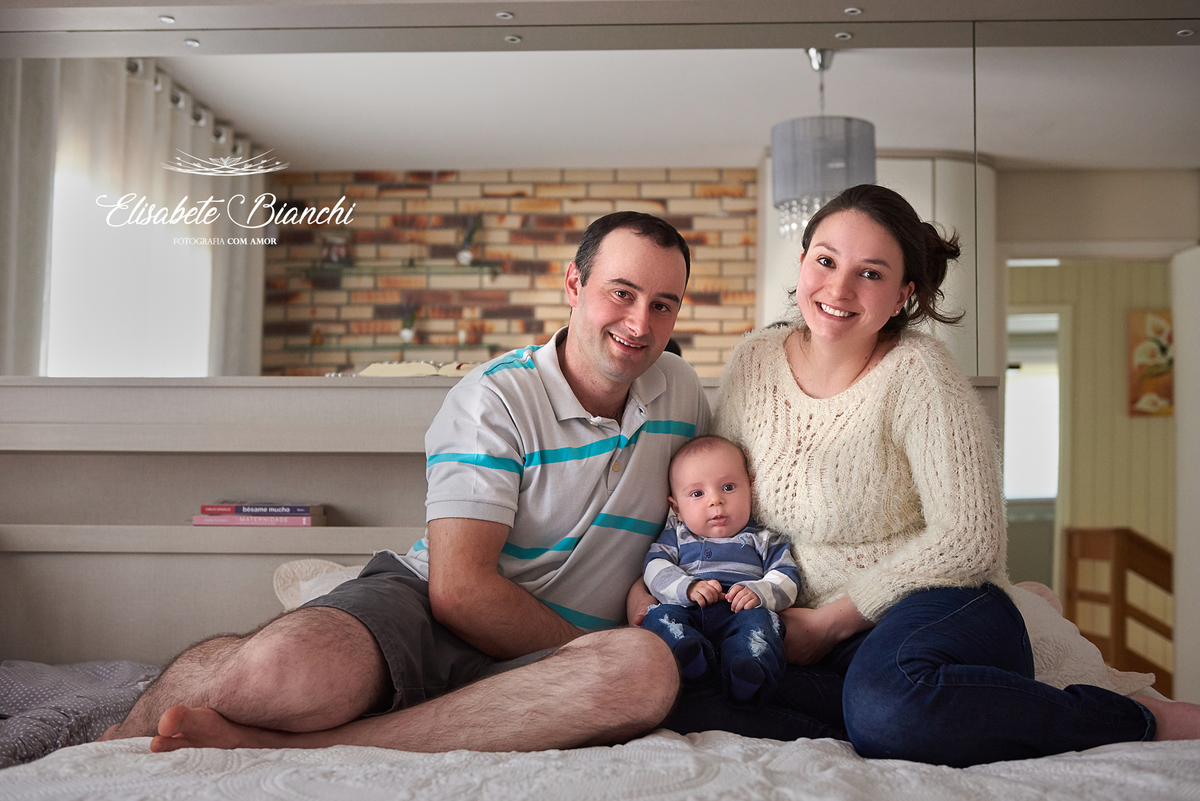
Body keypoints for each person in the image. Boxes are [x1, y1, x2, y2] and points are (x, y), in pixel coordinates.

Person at [101, 210, 711, 753]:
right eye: (622, 293)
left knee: (646, 670)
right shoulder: (493, 399)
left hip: (557, 660)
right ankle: (126, 730)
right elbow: (461, 592)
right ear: (574, 285)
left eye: (663, 304)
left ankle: (314, 744)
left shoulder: (681, 393)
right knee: (277, 673)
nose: (640, 322)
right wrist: (575, 648)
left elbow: (710, 517)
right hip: (429, 610)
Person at [654, 183, 1200, 766]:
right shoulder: (754, 362)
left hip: (933, 606)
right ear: (804, 260)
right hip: (797, 624)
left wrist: (830, 623)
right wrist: (660, 585)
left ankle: (1136, 718)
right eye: (827, 261)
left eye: (870, 273)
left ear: (902, 294)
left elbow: (969, 538)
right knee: (690, 695)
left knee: (889, 705)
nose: (838, 289)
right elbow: (718, 494)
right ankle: (895, 710)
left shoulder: (919, 372)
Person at [641, 435, 798, 705]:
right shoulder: (677, 534)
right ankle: (688, 657)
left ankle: (747, 672)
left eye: (728, 487)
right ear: (677, 509)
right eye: (697, 494)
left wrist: (758, 592)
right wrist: (687, 587)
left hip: (741, 612)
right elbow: (654, 566)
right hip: (687, 608)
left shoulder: (763, 537)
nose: (715, 500)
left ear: (750, 487)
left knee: (763, 624)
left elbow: (787, 576)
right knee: (658, 616)